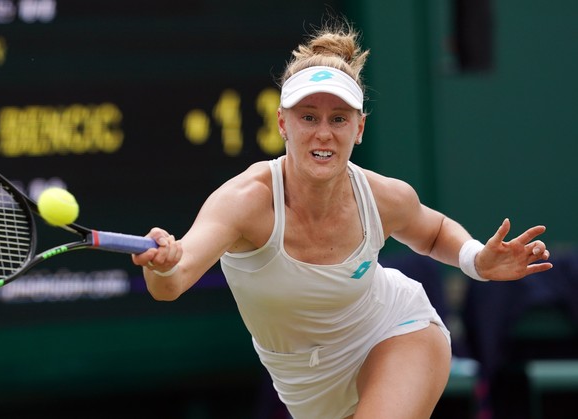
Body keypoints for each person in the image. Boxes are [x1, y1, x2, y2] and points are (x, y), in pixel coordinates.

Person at [132, 18, 552, 419]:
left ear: (360, 128)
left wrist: (476, 260)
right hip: (307, 388)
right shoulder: (246, 200)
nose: (323, 133)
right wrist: (162, 265)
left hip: (397, 331)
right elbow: (172, 282)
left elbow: (434, 230)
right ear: (282, 123)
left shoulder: (384, 196)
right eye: (308, 117)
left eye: (339, 119)